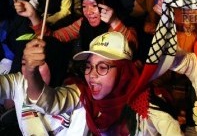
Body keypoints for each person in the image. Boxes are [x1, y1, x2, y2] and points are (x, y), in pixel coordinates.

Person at [22, 32, 183, 135]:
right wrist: (31, 72)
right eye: (89, 66)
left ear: (123, 73)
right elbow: (48, 102)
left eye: (102, 67)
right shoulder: (84, 94)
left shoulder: (148, 107)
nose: (92, 75)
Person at [0, 36, 85, 135]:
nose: (29, 70)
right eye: (25, 64)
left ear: (55, 66)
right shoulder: (20, 83)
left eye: (37, 65)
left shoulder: (78, 97)